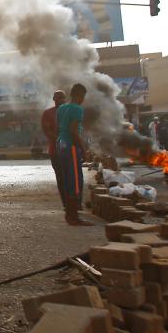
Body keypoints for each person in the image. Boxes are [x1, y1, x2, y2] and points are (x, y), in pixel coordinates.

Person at [56, 83, 92, 226]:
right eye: (83, 96)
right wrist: (83, 149)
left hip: (61, 145)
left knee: (67, 180)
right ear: (79, 95)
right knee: (75, 182)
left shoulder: (61, 108)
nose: (83, 99)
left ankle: (69, 215)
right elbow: (74, 131)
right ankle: (73, 217)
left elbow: (60, 128)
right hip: (71, 146)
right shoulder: (77, 109)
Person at [41, 90, 68, 209]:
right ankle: (66, 203)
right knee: (61, 177)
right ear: (53, 99)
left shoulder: (69, 111)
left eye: (62, 98)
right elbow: (47, 131)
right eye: (57, 98)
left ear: (65, 99)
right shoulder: (48, 113)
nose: (60, 100)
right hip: (55, 151)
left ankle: (75, 203)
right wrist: (59, 140)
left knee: (71, 177)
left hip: (69, 151)